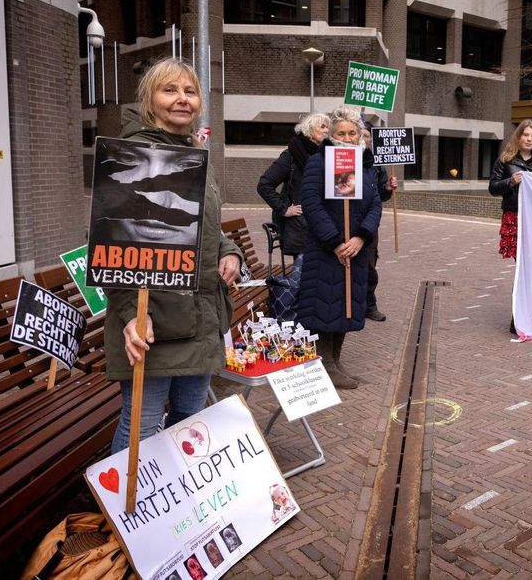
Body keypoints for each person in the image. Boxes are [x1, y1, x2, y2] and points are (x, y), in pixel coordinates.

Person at [104, 57, 242, 454]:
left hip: (201, 316)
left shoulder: (199, 156)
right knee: (142, 427)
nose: (182, 99)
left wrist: (229, 251)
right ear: (150, 98)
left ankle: (174, 508)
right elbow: (110, 245)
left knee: (190, 423)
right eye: (170, 90)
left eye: (190, 91)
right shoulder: (130, 155)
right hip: (154, 322)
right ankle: (130, 514)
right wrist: (132, 315)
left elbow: (208, 227)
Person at [296, 106, 383, 388]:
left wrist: (360, 237)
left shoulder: (365, 164)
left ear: (360, 134)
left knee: (346, 305)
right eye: (340, 133)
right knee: (326, 305)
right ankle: (325, 364)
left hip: (355, 248)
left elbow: (375, 204)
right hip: (327, 249)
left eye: (352, 132)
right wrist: (335, 241)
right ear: (330, 135)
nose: (347, 137)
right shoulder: (319, 162)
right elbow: (311, 203)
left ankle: (336, 361)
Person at [488, 119, 532, 334]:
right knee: (522, 269)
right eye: (525, 135)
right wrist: (510, 182)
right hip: (515, 219)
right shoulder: (506, 160)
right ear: (519, 136)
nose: (529, 139)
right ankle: (519, 317)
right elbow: (493, 188)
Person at [256, 112, 329, 260]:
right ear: (309, 130)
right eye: (322, 126)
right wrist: (284, 209)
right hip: (300, 227)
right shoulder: (291, 155)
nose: (326, 130)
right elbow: (264, 184)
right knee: (302, 276)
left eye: (328, 127)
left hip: (322, 224)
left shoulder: (326, 154)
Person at [362, 124, 398, 322]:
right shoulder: (342, 160)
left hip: (369, 222)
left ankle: (369, 304)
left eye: (366, 135)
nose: (361, 138)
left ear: (372, 140)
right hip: (346, 221)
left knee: (369, 264)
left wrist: (387, 187)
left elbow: (382, 196)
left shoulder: (377, 164)